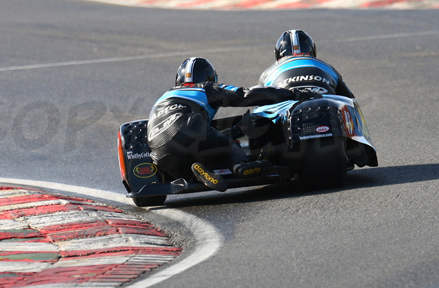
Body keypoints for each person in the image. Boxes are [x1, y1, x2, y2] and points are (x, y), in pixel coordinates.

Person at [147, 57, 307, 192]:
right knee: (227, 145)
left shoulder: (164, 96)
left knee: (194, 159)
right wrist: (292, 94)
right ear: (210, 78)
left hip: (158, 148)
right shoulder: (205, 88)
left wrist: (237, 129)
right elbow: (245, 94)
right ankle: (241, 166)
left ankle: (200, 169)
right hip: (188, 127)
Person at [259, 29, 355, 97]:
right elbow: (349, 99)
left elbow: (261, 106)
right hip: (325, 108)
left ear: (278, 53)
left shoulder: (268, 73)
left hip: (287, 114)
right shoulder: (327, 67)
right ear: (312, 49)